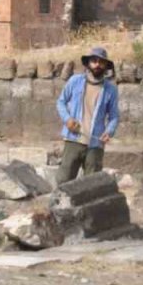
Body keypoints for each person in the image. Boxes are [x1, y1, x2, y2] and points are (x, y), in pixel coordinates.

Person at [55, 47, 120, 183]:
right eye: (94, 61)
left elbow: (114, 116)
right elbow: (61, 102)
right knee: (64, 181)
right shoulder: (75, 81)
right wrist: (67, 119)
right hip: (74, 139)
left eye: (101, 62)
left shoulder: (110, 90)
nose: (97, 64)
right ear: (88, 63)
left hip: (96, 144)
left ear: (105, 66)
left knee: (92, 185)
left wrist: (109, 131)